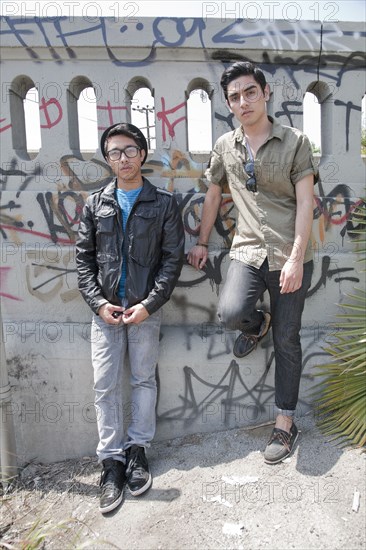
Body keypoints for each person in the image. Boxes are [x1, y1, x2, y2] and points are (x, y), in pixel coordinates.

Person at [188, 62, 317, 465]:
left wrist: (295, 259)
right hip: (246, 249)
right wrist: (202, 242)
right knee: (230, 312)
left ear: (265, 94)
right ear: (228, 104)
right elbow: (213, 195)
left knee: (288, 339)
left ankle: (285, 422)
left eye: (249, 92)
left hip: (289, 254)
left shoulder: (295, 142)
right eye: (234, 97)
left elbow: (305, 205)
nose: (242, 102)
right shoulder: (226, 146)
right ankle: (255, 323)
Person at [76, 123, 185, 513]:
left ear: (142, 152)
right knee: (105, 385)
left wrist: (149, 305)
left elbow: (172, 262)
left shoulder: (164, 203)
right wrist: (98, 303)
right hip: (104, 311)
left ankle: (138, 452)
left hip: (144, 311)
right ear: (107, 159)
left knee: (142, 380)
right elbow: (83, 262)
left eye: (129, 150)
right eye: (113, 153)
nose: (122, 159)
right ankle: (111, 463)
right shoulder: (94, 204)